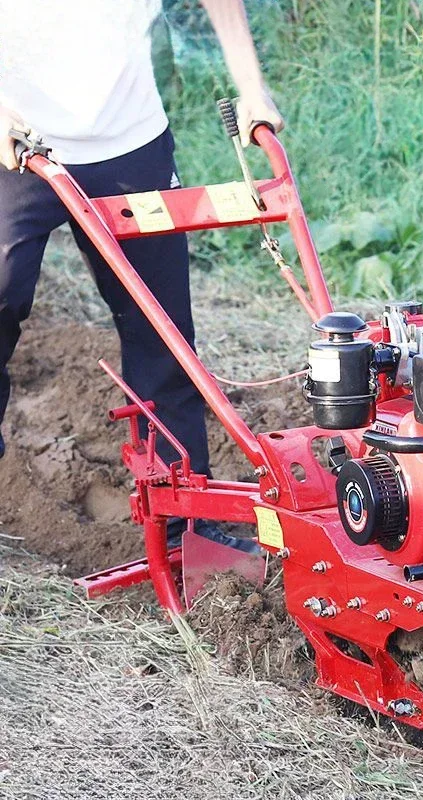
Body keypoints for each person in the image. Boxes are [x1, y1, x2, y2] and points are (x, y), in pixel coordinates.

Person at [0, 1, 282, 547]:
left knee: (163, 333)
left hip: (133, 144)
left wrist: (253, 88)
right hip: (17, 141)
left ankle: (187, 523)